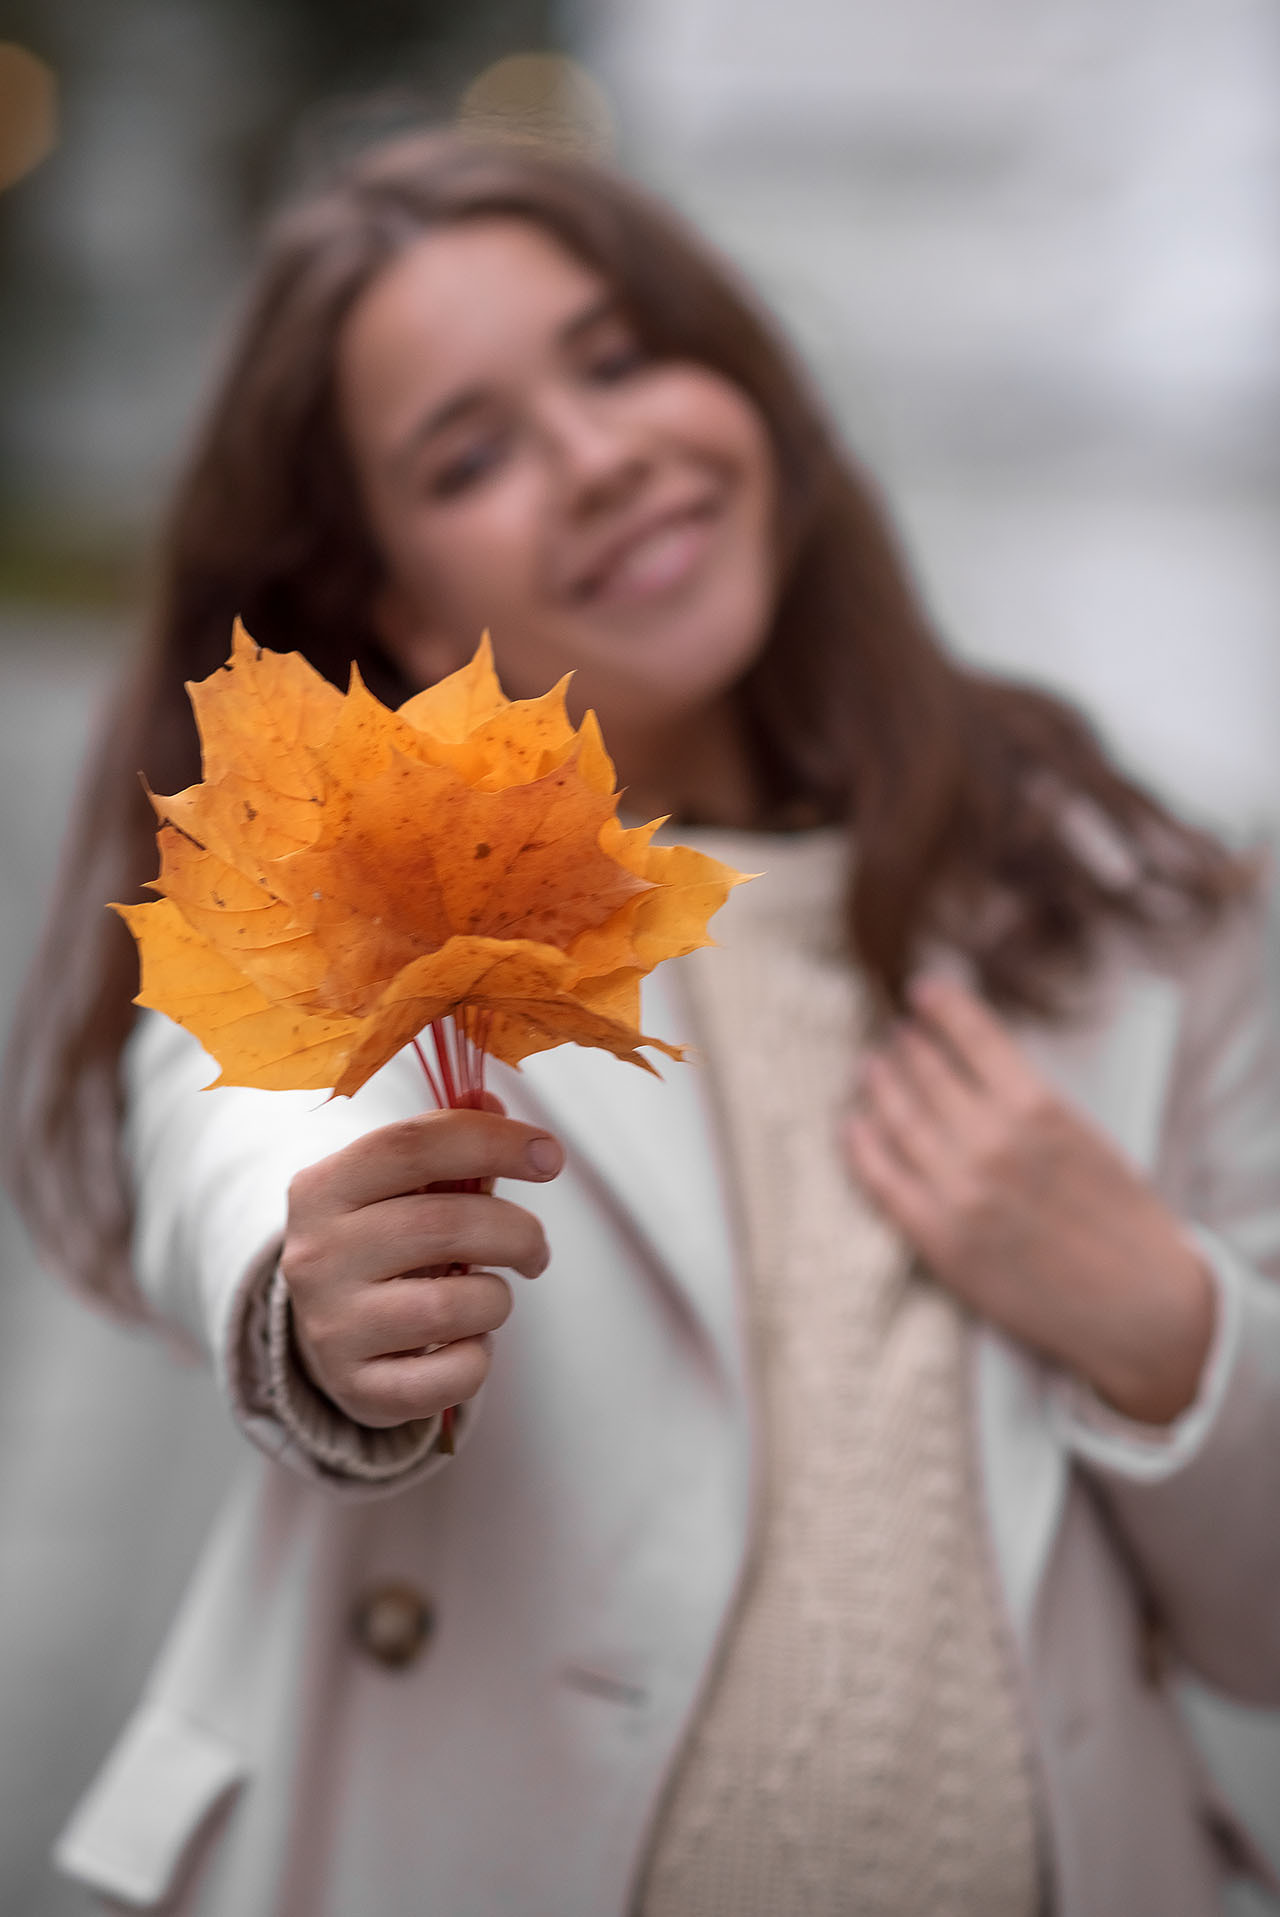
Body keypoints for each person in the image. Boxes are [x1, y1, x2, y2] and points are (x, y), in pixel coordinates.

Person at [6, 130, 1280, 1917]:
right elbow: (241, 1120)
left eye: (617, 357)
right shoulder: (364, 894)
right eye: (471, 454)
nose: (601, 457)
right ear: (392, 595)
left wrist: (1161, 1316)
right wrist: (317, 1298)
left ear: (733, 372)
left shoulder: (1130, 897)